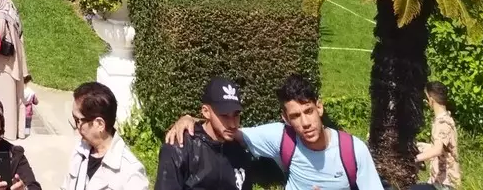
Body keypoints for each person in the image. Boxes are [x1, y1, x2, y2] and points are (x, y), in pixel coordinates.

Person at [162, 74, 383, 190]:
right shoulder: (281, 138)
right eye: (295, 116)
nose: (305, 122)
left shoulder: (353, 151)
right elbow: (221, 130)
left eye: (308, 111)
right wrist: (189, 119)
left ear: (320, 107)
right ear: (285, 119)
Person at [154, 77, 266, 190]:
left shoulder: (240, 151)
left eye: (236, 115)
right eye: (224, 115)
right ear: (206, 112)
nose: (233, 124)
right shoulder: (180, 149)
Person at [65, 81, 147, 190]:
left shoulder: (130, 173)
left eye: (78, 120)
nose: (76, 127)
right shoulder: (80, 150)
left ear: (99, 124)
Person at [0, 0, 29, 139]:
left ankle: (9, 132)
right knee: (19, 96)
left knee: (8, 97)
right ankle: (20, 130)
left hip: (7, 61)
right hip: (18, 55)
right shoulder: (12, 9)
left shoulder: (1, 15)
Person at [414, 83, 458, 190]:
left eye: (426, 97)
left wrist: (414, 159)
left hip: (445, 184)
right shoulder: (444, 118)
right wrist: (419, 146)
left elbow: (437, 150)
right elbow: (442, 148)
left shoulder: (443, 122)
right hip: (437, 182)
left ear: (431, 100)